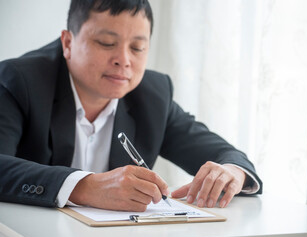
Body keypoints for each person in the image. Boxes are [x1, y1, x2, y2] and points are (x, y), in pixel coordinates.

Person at [0, 0, 262, 212]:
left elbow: (228, 156)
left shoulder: (153, 95)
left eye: (137, 47)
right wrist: (85, 187)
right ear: (68, 42)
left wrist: (231, 173)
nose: (123, 60)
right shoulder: (19, 80)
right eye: (106, 43)